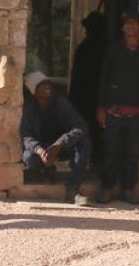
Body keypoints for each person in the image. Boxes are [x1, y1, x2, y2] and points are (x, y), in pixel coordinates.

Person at [97, 10, 139, 205]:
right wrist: (101, 107)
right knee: (111, 152)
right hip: (113, 111)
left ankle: (128, 190)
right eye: (126, 24)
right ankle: (108, 188)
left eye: (134, 23)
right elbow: (104, 79)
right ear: (122, 28)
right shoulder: (113, 50)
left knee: (132, 154)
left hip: (137, 112)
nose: (130, 27)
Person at [20, 71, 92, 206]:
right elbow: (26, 135)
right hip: (42, 149)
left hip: (63, 147)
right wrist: (40, 150)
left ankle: (73, 187)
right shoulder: (28, 109)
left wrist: (60, 143)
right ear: (33, 90)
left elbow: (80, 127)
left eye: (48, 83)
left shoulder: (61, 104)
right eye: (42, 84)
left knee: (84, 142)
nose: (47, 86)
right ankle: (46, 171)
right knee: (28, 157)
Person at [68, 11, 109, 164]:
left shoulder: (84, 48)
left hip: (87, 97)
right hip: (93, 97)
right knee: (91, 131)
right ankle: (91, 162)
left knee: (84, 129)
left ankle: (81, 162)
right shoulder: (105, 48)